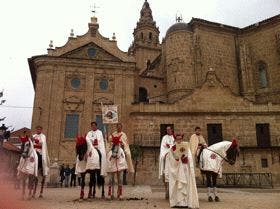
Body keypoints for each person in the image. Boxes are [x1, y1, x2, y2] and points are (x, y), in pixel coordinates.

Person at [168, 133, 199, 208]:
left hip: (185, 168)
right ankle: (177, 202)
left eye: (180, 139)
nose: (179, 140)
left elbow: (190, 158)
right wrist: (177, 159)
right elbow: (171, 160)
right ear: (175, 139)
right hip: (177, 169)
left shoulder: (186, 146)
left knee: (185, 184)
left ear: (182, 139)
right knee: (177, 185)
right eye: (177, 139)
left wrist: (185, 157)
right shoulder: (172, 148)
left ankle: (185, 202)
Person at [32, 125, 50, 197]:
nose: (38, 130)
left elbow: (42, 143)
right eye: (37, 129)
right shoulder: (33, 135)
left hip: (39, 152)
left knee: (40, 159)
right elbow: (31, 143)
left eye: (39, 129)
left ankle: (42, 170)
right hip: (33, 151)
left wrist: (36, 142)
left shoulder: (43, 136)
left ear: (41, 130)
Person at [159, 126, 175, 199]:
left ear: (171, 130)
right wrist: (167, 150)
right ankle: (166, 190)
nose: (168, 130)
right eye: (167, 130)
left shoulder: (174, 137)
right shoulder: (164, 137)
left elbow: (175, 145)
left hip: (173, 155)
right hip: (166, 154)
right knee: (165, 174)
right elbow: (163, 146)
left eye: (169, 129)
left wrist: (171, 146)